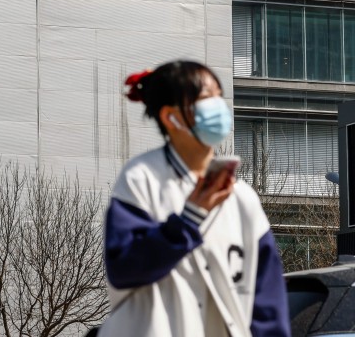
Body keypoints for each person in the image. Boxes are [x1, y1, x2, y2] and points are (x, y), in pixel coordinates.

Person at [100, 60, 291, 337]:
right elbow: (124, 269)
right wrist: (188, 219)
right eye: (204, 98)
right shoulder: (142, 179)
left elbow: (267, 299)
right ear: (171, 117)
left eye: (217, 96)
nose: (217, 106)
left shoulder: (242, 197)